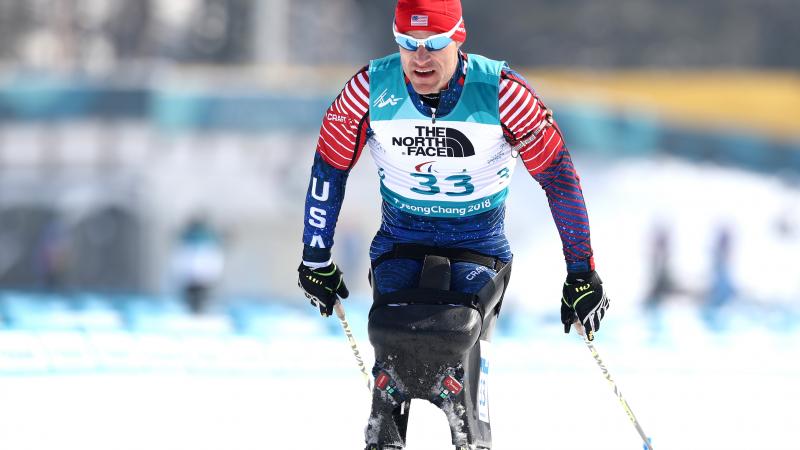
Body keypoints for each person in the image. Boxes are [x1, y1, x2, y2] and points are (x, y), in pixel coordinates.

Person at [297, 1, 610, 448]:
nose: (420, 58)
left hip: (478, 246)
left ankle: (472, 436)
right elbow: (329, 167)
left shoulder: (503, 92)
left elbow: (559, 178)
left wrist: (581, 272)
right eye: (408, 43)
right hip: (399, 243)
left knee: (455, 337)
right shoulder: (368, 88)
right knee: (392, 339)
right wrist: (314, 256)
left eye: (433, 44)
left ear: (458, 38)